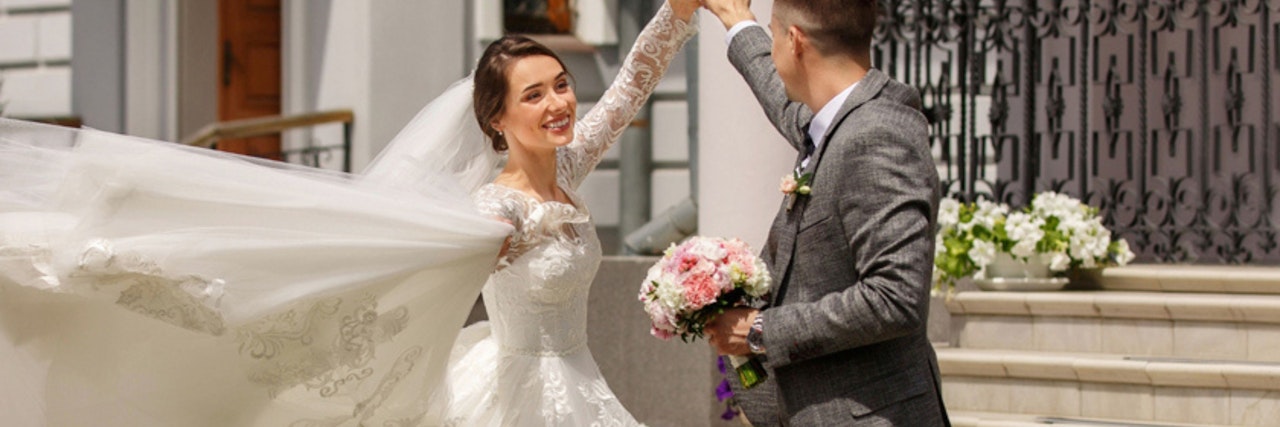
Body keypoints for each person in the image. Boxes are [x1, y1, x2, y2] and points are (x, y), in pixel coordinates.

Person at [0, 0, 696, 425]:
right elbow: (392, 259)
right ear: (497, 117)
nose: (559, 104)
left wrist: (680, 11)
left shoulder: (569, 171)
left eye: (563, 86)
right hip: (515, 397)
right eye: (535, 94)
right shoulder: (494, 211)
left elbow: (631, 86)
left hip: (581, 380)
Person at [699, 0, 951, 425]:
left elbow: (894, 297)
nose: (774, 52)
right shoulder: (837, 123)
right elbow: (781, 97)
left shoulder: (877, 135)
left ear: (795, 41)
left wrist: (760, 331)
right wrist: (737, 22)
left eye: (774, 34)